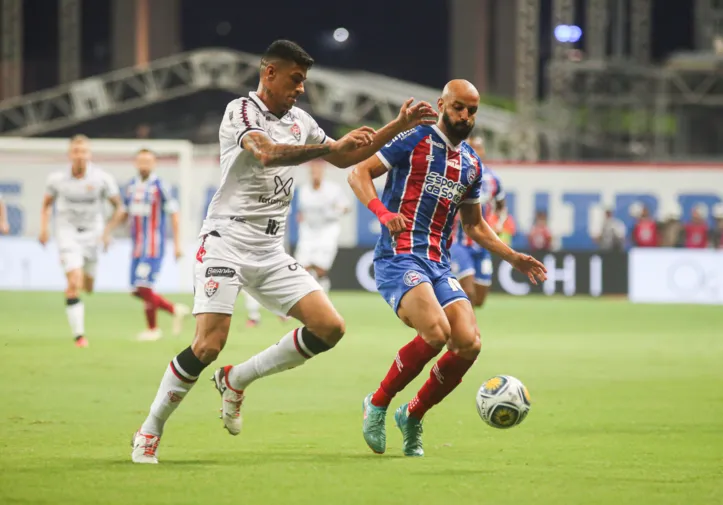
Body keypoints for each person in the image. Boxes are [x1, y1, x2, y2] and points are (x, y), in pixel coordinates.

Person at [130, 39, 437, 464]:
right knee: (208, 345)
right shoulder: (241, 111)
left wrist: (395, 126)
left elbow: (348, 155)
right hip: (227, 240)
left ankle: (237, 380)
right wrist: (330, 147)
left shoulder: (301, 120)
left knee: (329, 327)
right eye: (295, 80)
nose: (301, 89)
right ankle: (150, 429)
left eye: (304, 81)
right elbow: (267, 153)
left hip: (270, 248)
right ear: (269, 73)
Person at [348, 79, 546, 457]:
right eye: (458, 107)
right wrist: (383, 212)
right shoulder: (415, 139)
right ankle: (377, 402)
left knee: (469, 342)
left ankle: (413, 414)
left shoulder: (472, 164)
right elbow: (358, 173)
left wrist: (513, 256)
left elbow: (474, 225)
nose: (465, 116)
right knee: (436, 331)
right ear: (442, 104)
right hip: (398, 256)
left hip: (439, 264)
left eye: (472, 110)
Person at [38, 135, 124, 348]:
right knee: (73, 282)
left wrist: (106, 232)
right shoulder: (57, 179)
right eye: (76, 151)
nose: (80, 155)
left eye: (83, 151)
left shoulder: (102, 178)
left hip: (93, 234)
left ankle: (85, 283)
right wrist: (44, 229)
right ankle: (79, 336)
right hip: (67, 234)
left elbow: (119, 208)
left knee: (89, 285)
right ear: (70, 155)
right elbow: (47, 204)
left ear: (89, 154)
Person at [104, 149, 190, 341]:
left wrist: (177, 244)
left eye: (148, 162)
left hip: (153, 246)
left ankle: (153, 330)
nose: (144, 165)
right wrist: (107, 231)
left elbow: (174, 215)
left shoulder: (160, 186)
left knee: (144, 285)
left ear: (154, 164)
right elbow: (123, 212)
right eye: (141, 161)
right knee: (136, 290)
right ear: (136, 163)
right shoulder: (131, 186)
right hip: (136, 247)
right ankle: (174, 309)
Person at [449, 136, 507, 307]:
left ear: (483, 151)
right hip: (458, 243)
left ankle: (459, 326)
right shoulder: (455, 173)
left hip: (482, 245)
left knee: (479, 300)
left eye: (479, 148)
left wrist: (499, 223)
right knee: (466, 292)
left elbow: (501, 206)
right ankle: (464, 332)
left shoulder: (493, 179)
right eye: (471, 147)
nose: (476, 151)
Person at [294, 159, 350, 292]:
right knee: (303, 266)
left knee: (321, 267)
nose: (315, 174)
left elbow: (346, 207)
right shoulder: (304, 190)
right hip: (308, 230)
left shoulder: (333, 189)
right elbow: (301, 210)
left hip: (327, 231)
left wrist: (336, 210)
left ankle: (323, 291)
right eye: (313, 171)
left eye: (318, 171)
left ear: (323, 173)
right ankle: (306, 293)